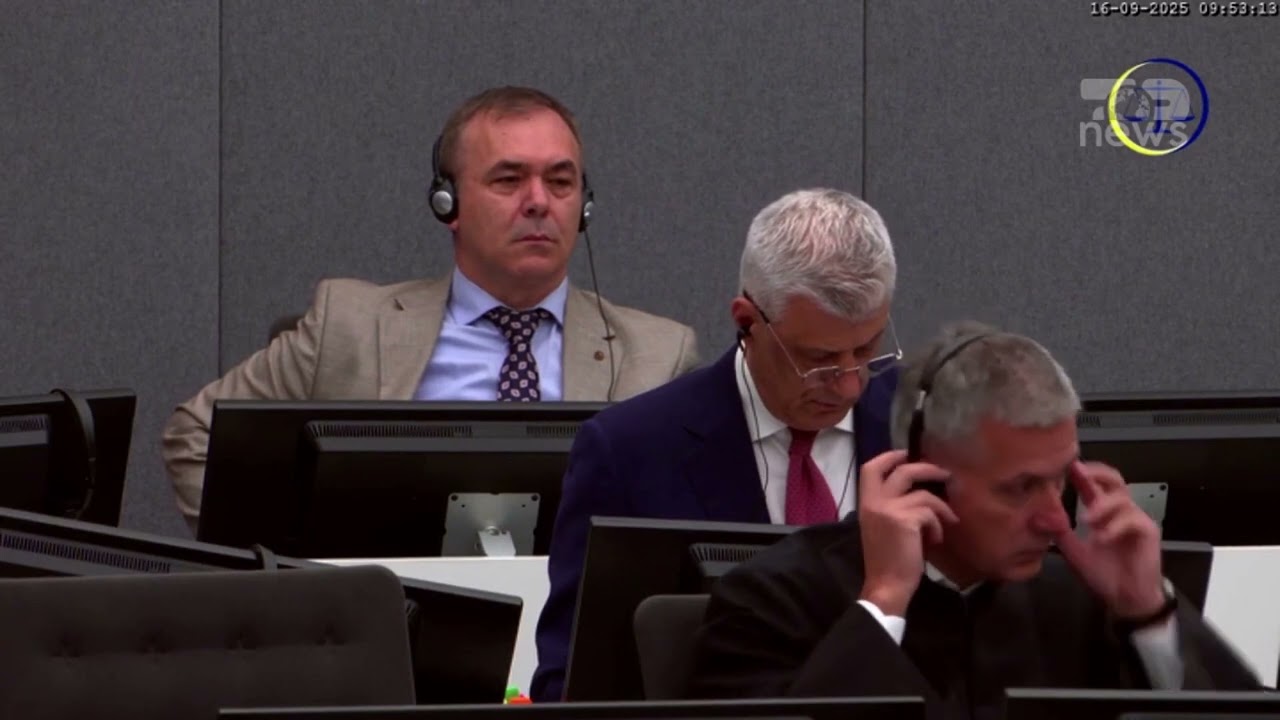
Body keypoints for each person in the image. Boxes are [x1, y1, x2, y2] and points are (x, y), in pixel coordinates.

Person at [162, 86, 700, 530]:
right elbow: (196, 433)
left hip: (568, 616)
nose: (539, 201)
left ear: (584, 206)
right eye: (509, 180)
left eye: (560, 181)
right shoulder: (349, 326)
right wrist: (293, 574)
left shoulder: (658, 357)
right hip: (389, 612)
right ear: (448, 203)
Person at [686, 321, 1263, 718]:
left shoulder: (1081, 600)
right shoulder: (772, 600)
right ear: (923, 478)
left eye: (1060, 479)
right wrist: (883, 604)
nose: (1053, 519)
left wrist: (1147, 613)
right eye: (1020, 488)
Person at [530, 188, 904, 702]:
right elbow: (569, 684)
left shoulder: (925, 431)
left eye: (866, 349)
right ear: (747, 321)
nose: (848, 385)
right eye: (818, 360)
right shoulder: (629, 452)